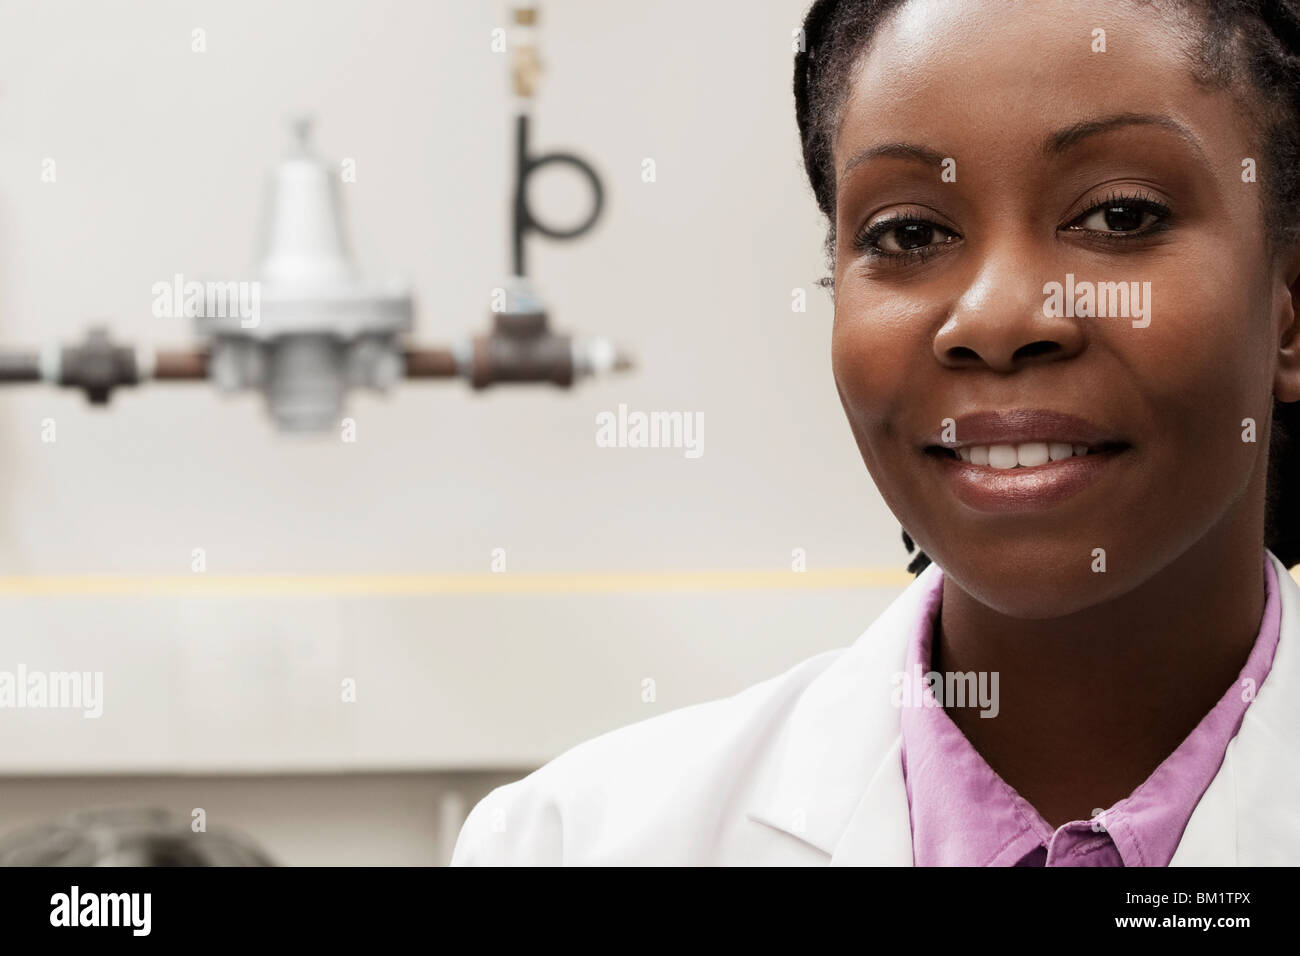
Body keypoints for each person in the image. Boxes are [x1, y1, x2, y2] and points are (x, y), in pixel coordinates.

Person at [451, 0, 1300, 865]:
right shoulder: (567, 843)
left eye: (1121, 216)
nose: (998, 317)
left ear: (1290, 310)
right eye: (910, 232)